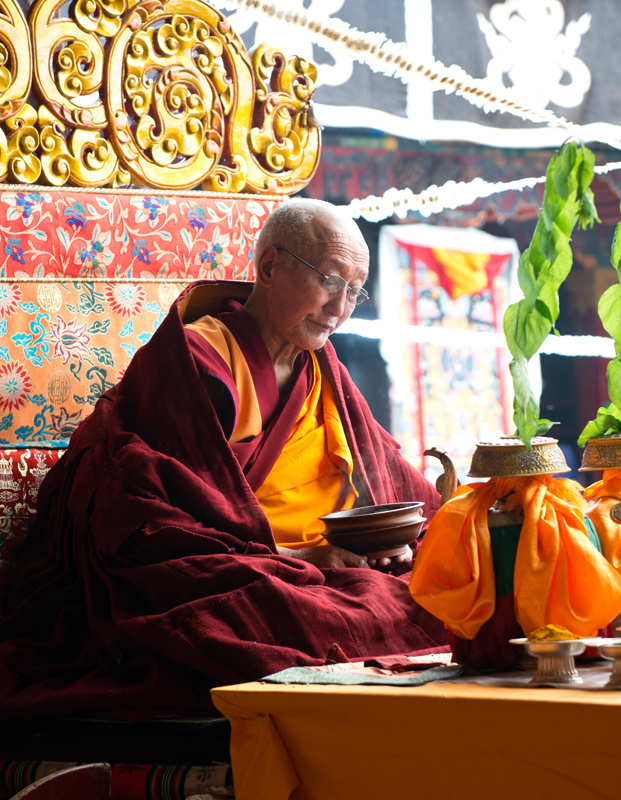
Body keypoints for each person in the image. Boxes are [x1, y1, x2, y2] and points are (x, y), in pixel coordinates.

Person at [0, 199, 447, 720]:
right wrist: (300, 560)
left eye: (354, 290)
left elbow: (393, 482)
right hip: (241, 566)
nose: (340, 308)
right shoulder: (198, 364)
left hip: (330, 569)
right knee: (261, 618)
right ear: (268, 267)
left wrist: (406, 544)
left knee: (449, 589)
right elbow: (153, 522)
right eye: (329, 279)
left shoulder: (321, 369)